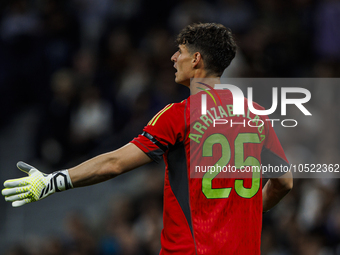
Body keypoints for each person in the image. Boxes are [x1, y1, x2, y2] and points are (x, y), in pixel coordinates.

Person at [2, 23, 293, 255]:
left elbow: (115, 163)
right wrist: (253, 207)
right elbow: (284, 181)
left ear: (197, 59)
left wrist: (53, 181)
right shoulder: (255, 113)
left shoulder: (179, 115)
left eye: (179, 51)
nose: (173, 58)